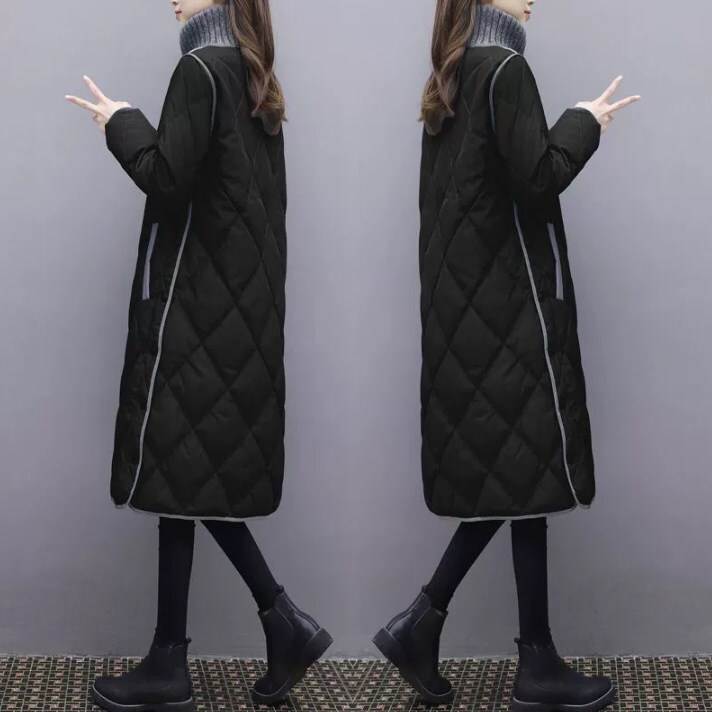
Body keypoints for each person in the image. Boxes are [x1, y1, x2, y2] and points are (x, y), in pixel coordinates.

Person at [372, 0, 639, 709]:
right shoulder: (506, 71)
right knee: (523, 475)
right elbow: (538, 178)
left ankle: (480, 641)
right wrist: (586, 121)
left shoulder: (452, 77)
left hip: (467, 315)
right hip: (508, 314)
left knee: (519, 480)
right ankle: (496, 648)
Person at [65, 1, 332, 709]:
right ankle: (199, 650)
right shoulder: (253, 76)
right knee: (186, 482)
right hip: (238, 314)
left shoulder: (199, 71)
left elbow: (167, 177)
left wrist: (119, 121)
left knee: (183, 476)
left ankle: (250, 633)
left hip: (197, 313)